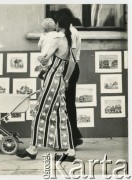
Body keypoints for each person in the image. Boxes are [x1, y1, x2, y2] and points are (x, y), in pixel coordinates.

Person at [16, 13, 78, 162]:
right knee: (61, 115)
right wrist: (66, 79)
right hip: (60, 80)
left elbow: (44, 58)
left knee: (39, 113)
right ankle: (70, 151)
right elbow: (73, 62)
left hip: (52, 79)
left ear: (58, 25)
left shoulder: (57, 40)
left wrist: (42, 62)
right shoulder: (70, 40)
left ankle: (33, 149)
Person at [55, 8, 83, 147]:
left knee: (67, 104)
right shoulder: (71, 31)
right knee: (67, 104)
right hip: (69, 70)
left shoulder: (71, 33)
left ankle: (72, 137)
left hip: (69, 70)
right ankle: (74, 136)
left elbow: (71, 59)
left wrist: (66, 78)